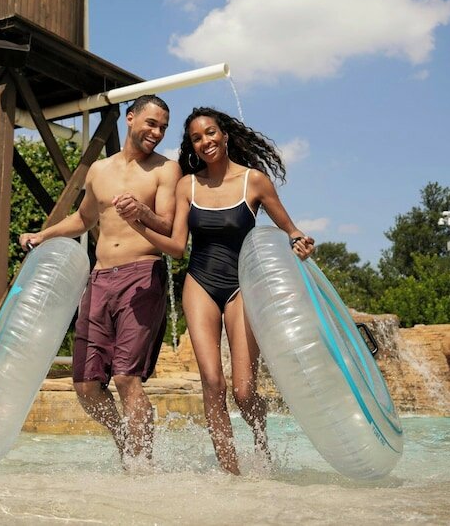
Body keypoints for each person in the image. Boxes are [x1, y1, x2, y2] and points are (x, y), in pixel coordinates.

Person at [126, 107, 314, 475]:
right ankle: (231, 471)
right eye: (196, 138)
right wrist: (139, 225)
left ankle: (260, 444)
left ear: (224, 135)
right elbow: (177, 247)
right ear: (192, 146)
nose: (205, 142)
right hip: (200, 283)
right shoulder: (187, 185)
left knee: (244, 392)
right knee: (213, 382)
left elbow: (291, 230)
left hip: (242, 286)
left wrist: (300, 242)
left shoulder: (254, 182)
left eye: (210, 133)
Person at [18, 95, 181, 465]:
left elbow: (169, 226)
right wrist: (43, 235)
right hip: (99, 278)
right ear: (130, 118)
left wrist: (142, 211)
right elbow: (83, 219)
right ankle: (127, 445)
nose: (157, 132)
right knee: (86, 385)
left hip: (142, 274)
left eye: (163, 127)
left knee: (125, 377)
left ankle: (142, 467)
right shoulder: (98, 170)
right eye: (151, 123)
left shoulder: (165, 170)